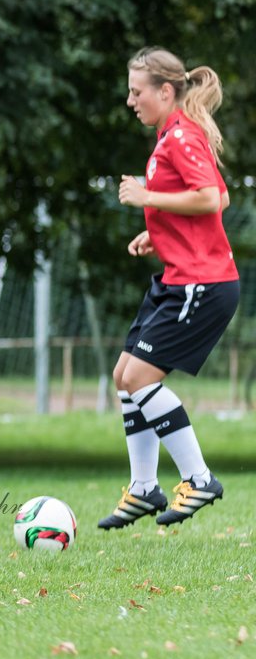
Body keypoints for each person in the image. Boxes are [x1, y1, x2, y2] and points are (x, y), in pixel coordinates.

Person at [98, 47, 239, 530]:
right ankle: (143, 488)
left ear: (164, 91)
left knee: (140, 379)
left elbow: (210, 199)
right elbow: (214, 194)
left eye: (137, 92)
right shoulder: (172, 136)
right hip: (178, 279)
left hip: (202, 284)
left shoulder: (180, 136)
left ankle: (199, 478)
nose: (130, 100)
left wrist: (146, 197)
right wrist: (156, 230)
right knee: (124, 375)